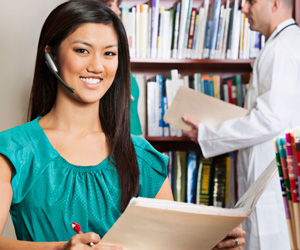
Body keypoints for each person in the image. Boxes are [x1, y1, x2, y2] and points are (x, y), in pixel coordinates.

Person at [0, 0, 245, 249]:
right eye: (82, 50)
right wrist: (60, 248)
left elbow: (171, 245)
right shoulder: (14, 149)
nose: (97, 66)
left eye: (109, 53)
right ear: (51, 55)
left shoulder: (142, 157)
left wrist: (207, 244)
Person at [182, 0, 300, 249]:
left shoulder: (282, 49)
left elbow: (270, 118)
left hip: (273, 184)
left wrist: (207, 133)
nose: (244, 8)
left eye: (251, 1)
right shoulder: (284, 44)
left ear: (275, 3)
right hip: (272, 177)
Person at [98, 0, 143, 136]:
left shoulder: (118, 57)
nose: (118, 11)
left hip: (133, 145)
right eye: (109, 5)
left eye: (118, 5)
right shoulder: (96, 68)